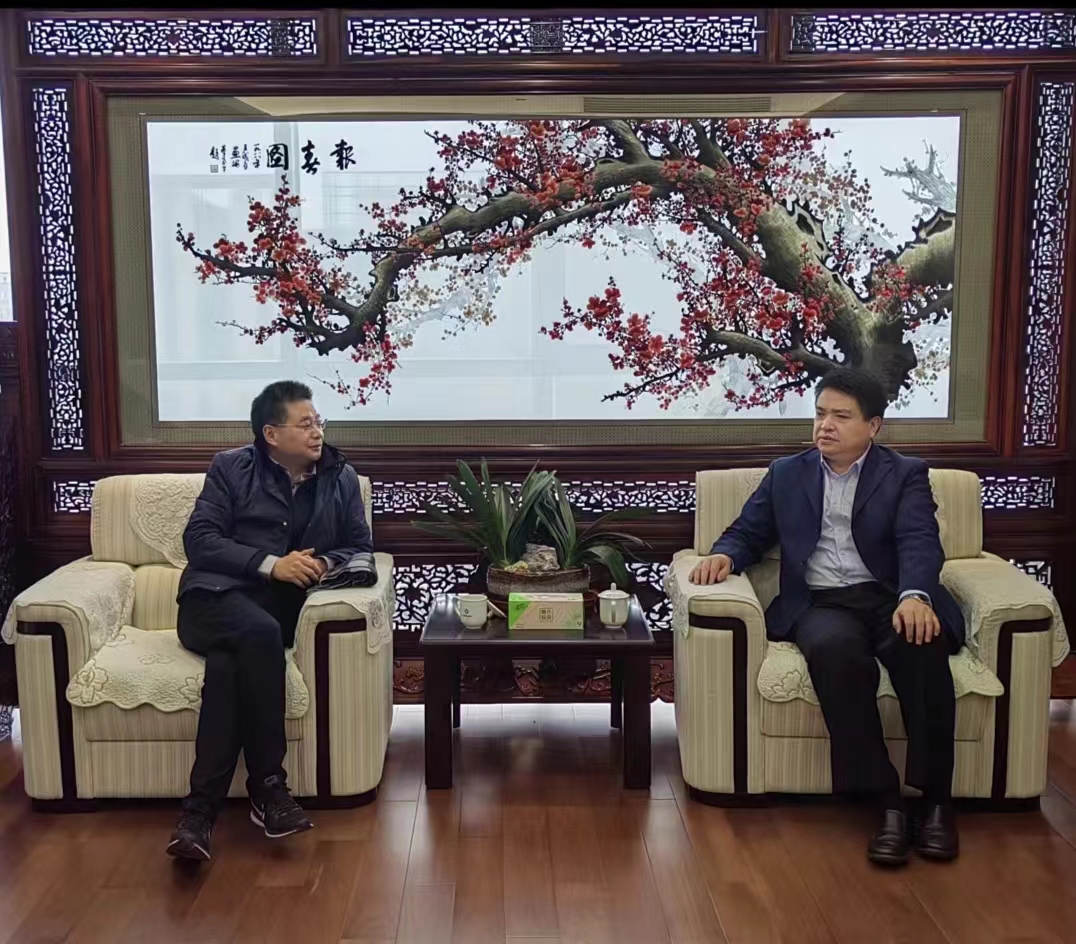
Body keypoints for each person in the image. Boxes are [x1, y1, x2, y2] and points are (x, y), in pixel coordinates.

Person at [690, 367, 961, 867]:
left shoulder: (905, 474)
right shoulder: (787, 473)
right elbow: (748, 531)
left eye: (841, 416)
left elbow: (919, 539)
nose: (825, 426)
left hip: (890, 597)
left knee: (921, 648)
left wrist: (915, 595)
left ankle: (937, 803)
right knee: (835, 654)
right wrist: (726, 554)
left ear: (873, 426)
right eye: (820, 414)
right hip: (823, 603)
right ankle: (886, 803)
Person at [166, 381, 372, 862]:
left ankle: (197, 818)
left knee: (226, 668)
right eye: (305, 424)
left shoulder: (340, 477)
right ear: (272, 434)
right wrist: (269, 564)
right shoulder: (230, 468)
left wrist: (322, 563)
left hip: (270, 614)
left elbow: (359, 546)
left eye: (319, 422)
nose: (317, 432)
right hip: (211, 603)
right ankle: (270, 788)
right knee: (259, 634)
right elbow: (200, 539)